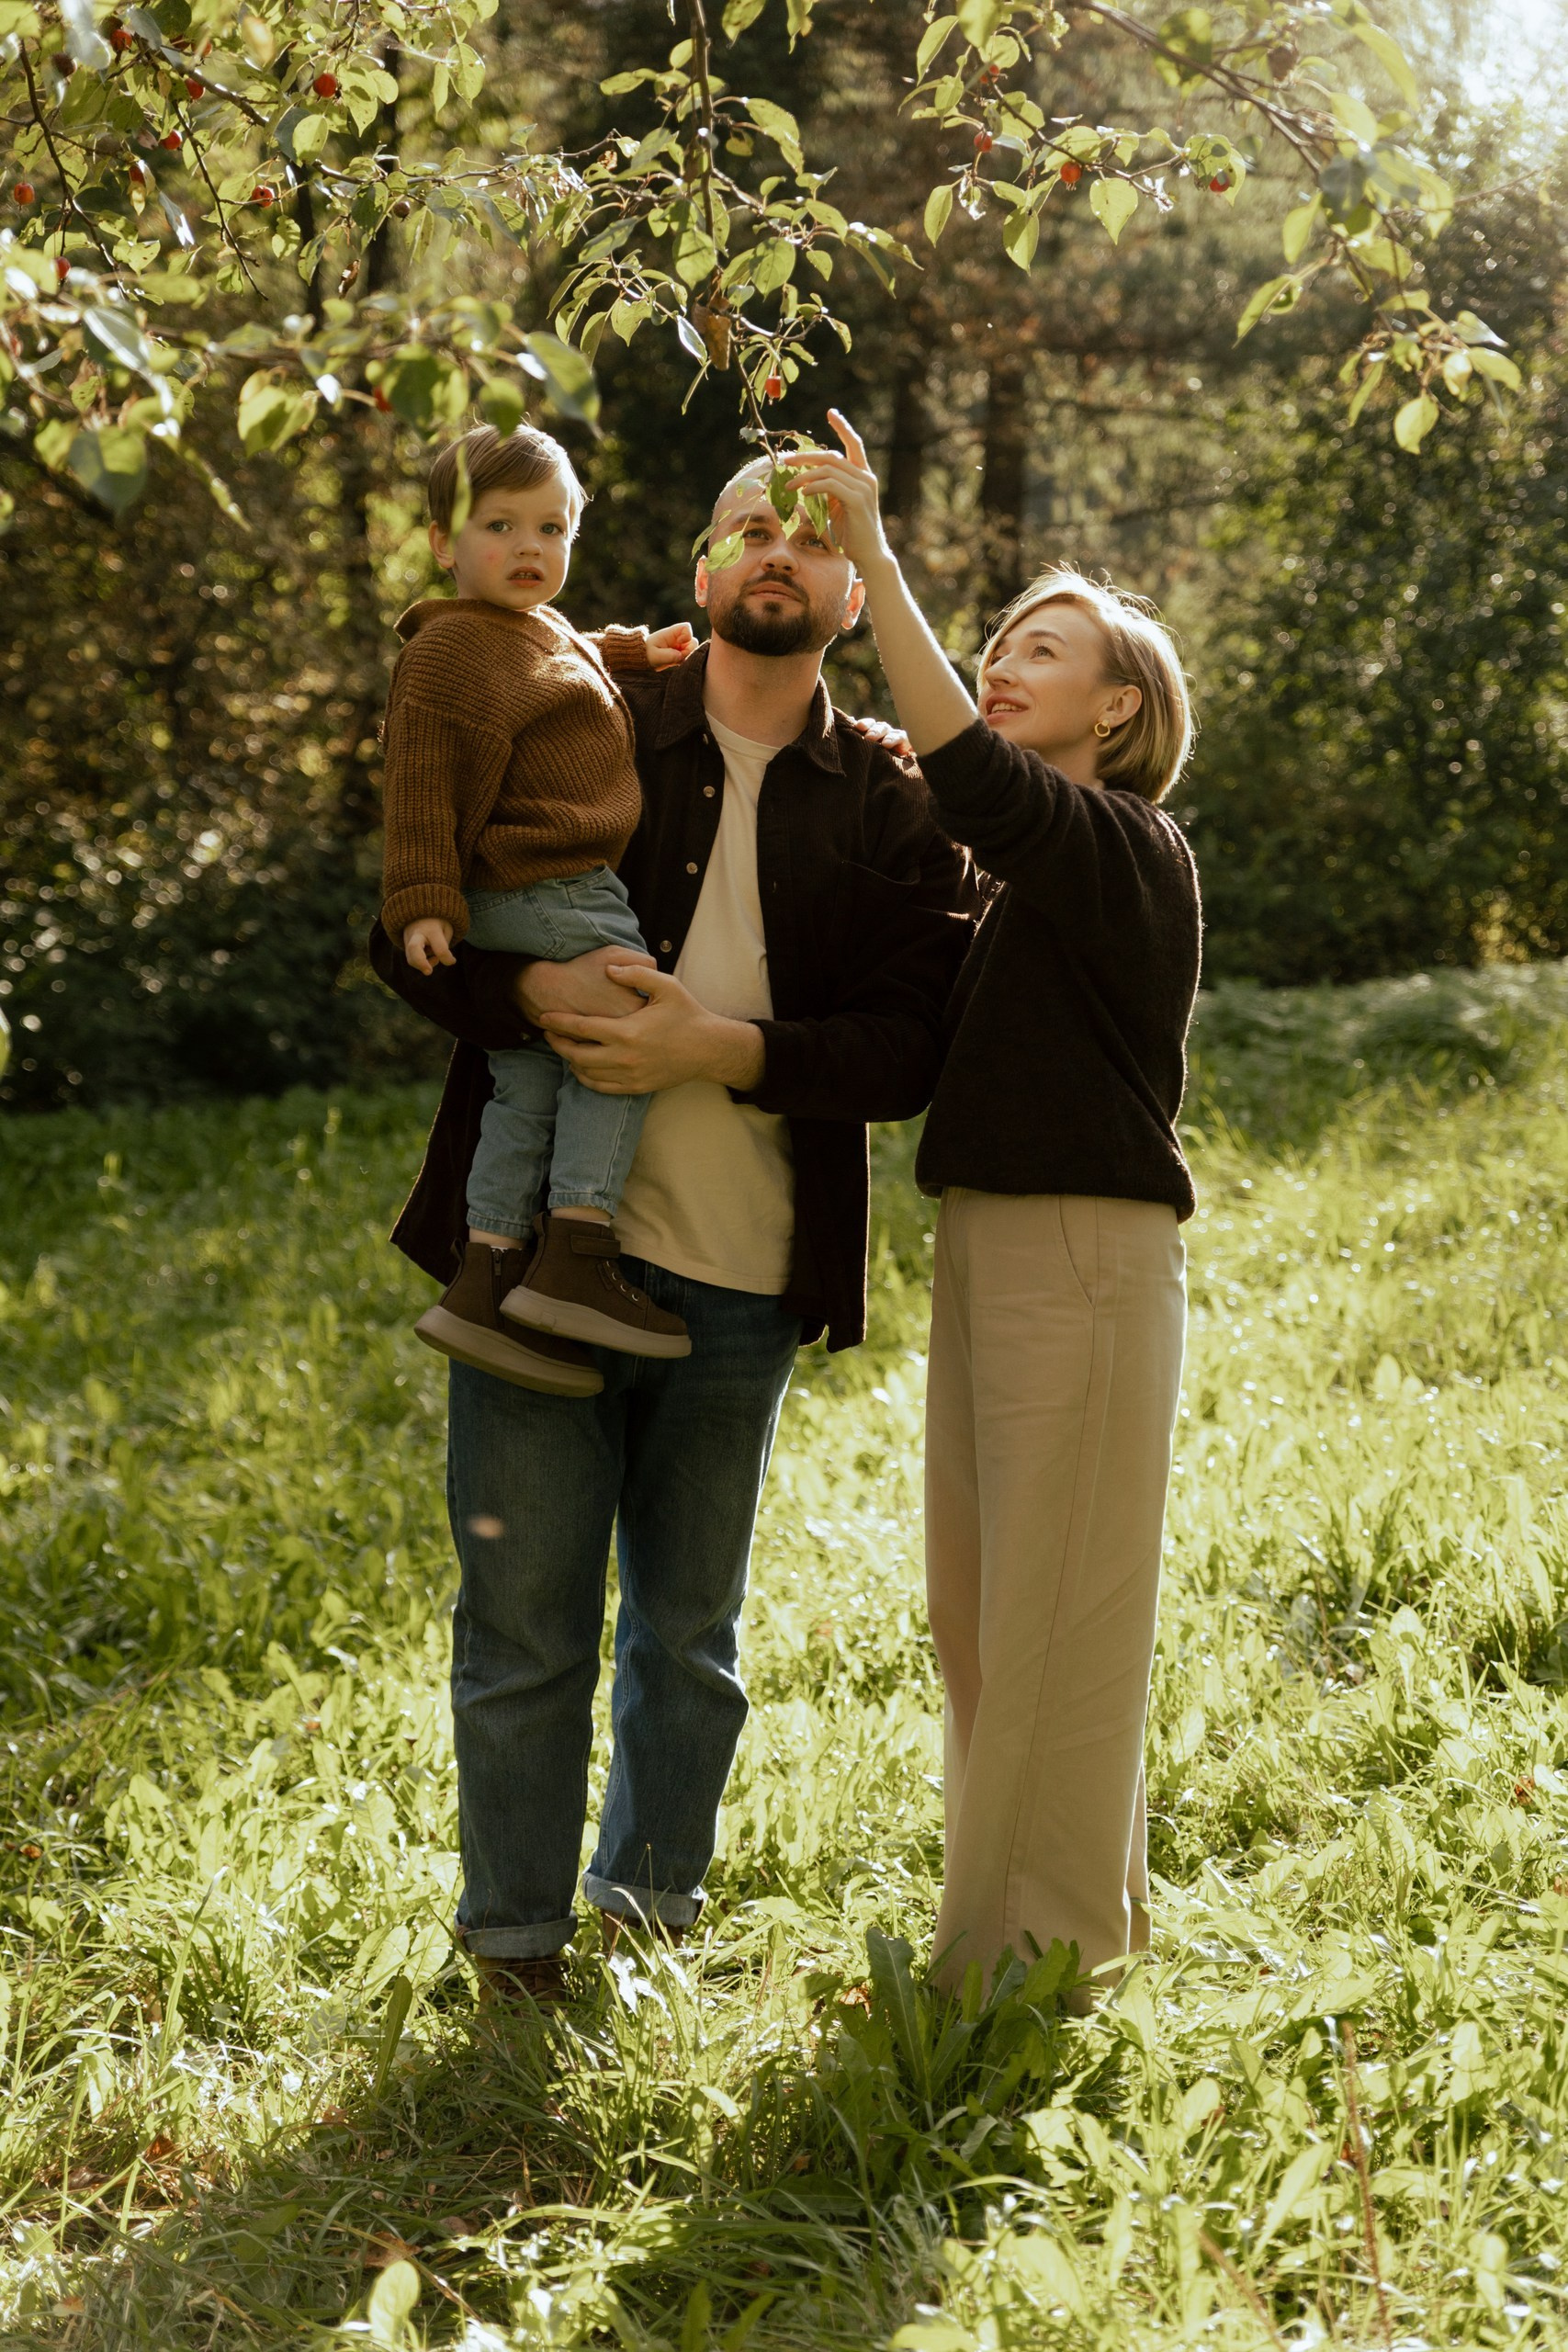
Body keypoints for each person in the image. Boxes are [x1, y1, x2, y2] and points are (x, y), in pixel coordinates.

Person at [369, 453, 975, 2004]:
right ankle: (513, 1952)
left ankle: (648, 1929)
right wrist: (526, 993)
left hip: (742, 1279)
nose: (779, 554)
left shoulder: (896, 795)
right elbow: (413, 917)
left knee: (688, 1644)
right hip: (524, 1281)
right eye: (748, 530)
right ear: (698, 567)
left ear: (855, 594)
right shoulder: (583, 715)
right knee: (519, 1630)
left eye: (814, 540)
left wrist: (725, 1050)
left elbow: (912, 1047)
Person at [789, 415, 1201, 2001]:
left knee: (1052, 1616)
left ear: (1121, 704)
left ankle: (1017, 1971)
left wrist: (877, 560)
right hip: (991, 1242)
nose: (1005, 663)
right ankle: (1052, 1932)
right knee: (983, 1617)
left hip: (1086, 1256)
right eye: (997, 642)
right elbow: (923, 815)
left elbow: (972, 775)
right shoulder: (1022, 879)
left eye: (1046, 647)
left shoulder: (1126, 850)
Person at [381, 421, 691, 1389]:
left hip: (541, 891)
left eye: (552, 529)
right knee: (630, 1030)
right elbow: (419, 778)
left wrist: (633, 653)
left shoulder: (528, 630)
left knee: (530, 1077)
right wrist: (423, 899)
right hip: (548, 889)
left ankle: (486, 1273)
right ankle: (578, 1247)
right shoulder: (446, 653)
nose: (529, 548)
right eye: (499, 525)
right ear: (442, 540)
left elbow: (561, 661)